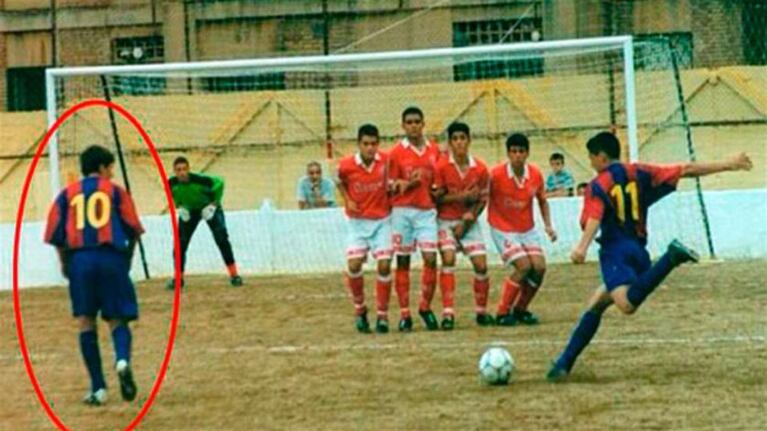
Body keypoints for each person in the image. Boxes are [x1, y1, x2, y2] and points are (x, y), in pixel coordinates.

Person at [546, 131, 752, 381]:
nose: (590, 163)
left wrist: (581, 246)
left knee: (625, 304)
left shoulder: (598, 184)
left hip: (615, 251)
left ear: (601, 156)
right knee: (598, 301)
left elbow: (595, 217)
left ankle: (671, 258)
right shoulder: (640, 172)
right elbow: (685, 169)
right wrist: (729, 164)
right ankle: (563, 364)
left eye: (591, 157)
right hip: (638, 249)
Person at [44, 145, 144, 406]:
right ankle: (122, 361)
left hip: (80, 260)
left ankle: (98, 389)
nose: (111, 173)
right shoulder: (116, 192)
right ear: (101, 168)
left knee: (86, 322)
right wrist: (126, 260)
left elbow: (56, 235)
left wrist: (66, 265)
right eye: (110, 168)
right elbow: (133, 228)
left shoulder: (66, 195)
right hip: (111, 258)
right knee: (117, 319)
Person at [488, 133, 557, 326]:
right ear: (508, 153)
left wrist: (548, 226)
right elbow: (481, 196)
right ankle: (502, 312)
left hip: (526, 229)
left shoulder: (534, 174)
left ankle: (520, 309)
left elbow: (542, 201)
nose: (517, 155)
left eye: (521, 151)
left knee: (540, 268)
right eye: (514, 151)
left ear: (527, 153)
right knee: (524, 266)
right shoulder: (495, 175)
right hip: (502, 228)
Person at [431, 122, 493, 329]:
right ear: (450, 143)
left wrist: (469, 218)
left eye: (463, 138)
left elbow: (483, 200)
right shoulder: (441, 167)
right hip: (446, 221)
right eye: (455, 139)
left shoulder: (481, 169)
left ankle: (482, 313)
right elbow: (436, 199)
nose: (459, 143)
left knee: (481, 265)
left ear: (469, 140)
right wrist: (462, 196)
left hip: (468, 221)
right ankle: (448, 314)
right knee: (448, 259)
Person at [388, 106, 442, 332]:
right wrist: (406, 184)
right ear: (403, 125)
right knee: (403, 261)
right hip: (402, 212)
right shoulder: (395, 153)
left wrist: (438, 192)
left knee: (430, 258)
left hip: (426, 212)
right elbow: (390, 186)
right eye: (409, 122)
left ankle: (425, 307)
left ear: (423, 124)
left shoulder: (434, 150)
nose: (413, 126)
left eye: (417, 122)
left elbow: (439, 182)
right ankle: (404, 314)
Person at [336, 124, 393, 333]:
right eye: (366, 144)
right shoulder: (347, 165)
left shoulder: (387, 161)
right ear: (359, 144)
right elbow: (338, 180)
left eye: (374, 144)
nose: (370, 148)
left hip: (382, 221)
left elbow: (396, 179)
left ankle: (382, 316)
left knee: (385, 265)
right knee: (354, 265)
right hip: (357, 223)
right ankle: (360, 309)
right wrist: (348, 199)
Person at [167, 157, 242, 289]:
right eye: (178, 170)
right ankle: (178, 278)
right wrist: (179, 207)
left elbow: (220, 183)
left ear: (189, 169)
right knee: (180, 244)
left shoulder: (201, 180)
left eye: (184, 169)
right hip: (190, 211)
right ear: (174, 172)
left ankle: (234, 275)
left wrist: (214, 204)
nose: (182, 173)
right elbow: (171, 195)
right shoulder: (171, 184)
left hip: (209, 208)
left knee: (222, 239)